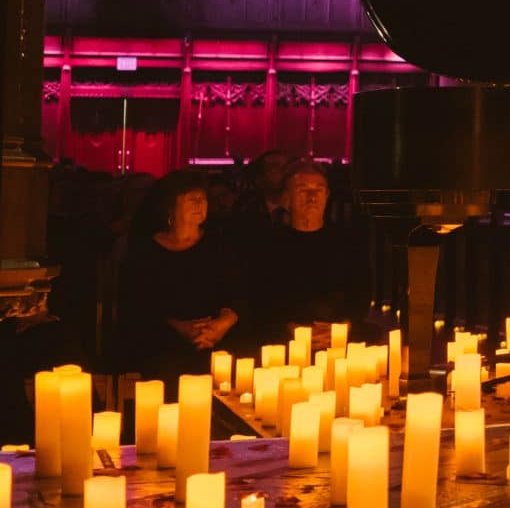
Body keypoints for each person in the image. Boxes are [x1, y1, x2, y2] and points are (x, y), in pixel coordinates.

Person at [118, 170, 247, 378]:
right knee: (166, 364)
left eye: (203, 199)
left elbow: (238, 293)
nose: (199, 204)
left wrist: (222, 324)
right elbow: (136, 305)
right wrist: (180, 327)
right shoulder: (145, 251)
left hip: (215, 338)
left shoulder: (221, 246)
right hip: (161, 339)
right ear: (171, 206)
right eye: (191, 199)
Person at [251, 160, 366, 339]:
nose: (312, 197)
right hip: (284, 339)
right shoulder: (267, 245)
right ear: (286, 197)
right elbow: (261, 299)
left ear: (327, 195)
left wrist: (343, 327)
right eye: (303, 189)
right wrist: (291, 329)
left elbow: (361, 294)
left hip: (340, 336)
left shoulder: (348, 242)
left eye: (318, 190)